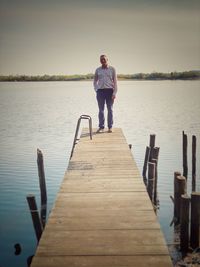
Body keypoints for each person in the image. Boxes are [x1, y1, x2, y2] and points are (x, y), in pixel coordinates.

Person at [93, 55, 118, 133]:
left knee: (110, 109)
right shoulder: (97, 70)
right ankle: (101, 127)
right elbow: (94, 81)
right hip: (100, 91)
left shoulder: (112, 69)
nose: (103, 60)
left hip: (110, 91)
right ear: (100, 61)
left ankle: (110, 127)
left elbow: (115, 82)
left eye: (104, 59)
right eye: (101, 59)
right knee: (101, 110)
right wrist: (96, 89)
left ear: (107, 60)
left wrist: (114, 93)